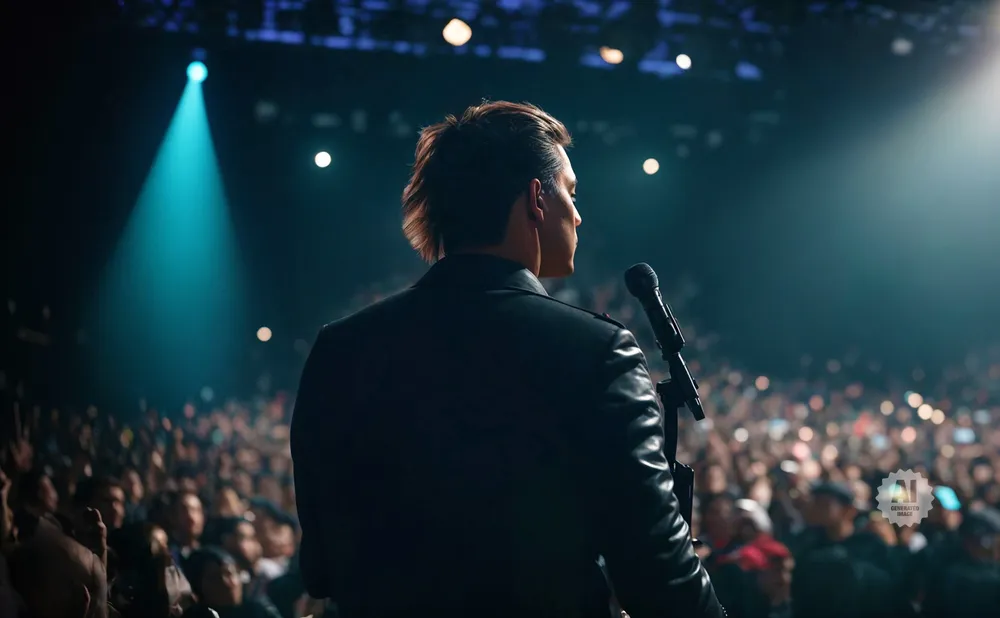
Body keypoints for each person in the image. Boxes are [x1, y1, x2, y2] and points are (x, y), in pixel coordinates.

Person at [291, 100, 724, 618]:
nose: (579, 214)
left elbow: (320, 567)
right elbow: (657, 574)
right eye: (571, 192)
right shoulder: (596, 351)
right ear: (537, 199)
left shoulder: (341, 349)